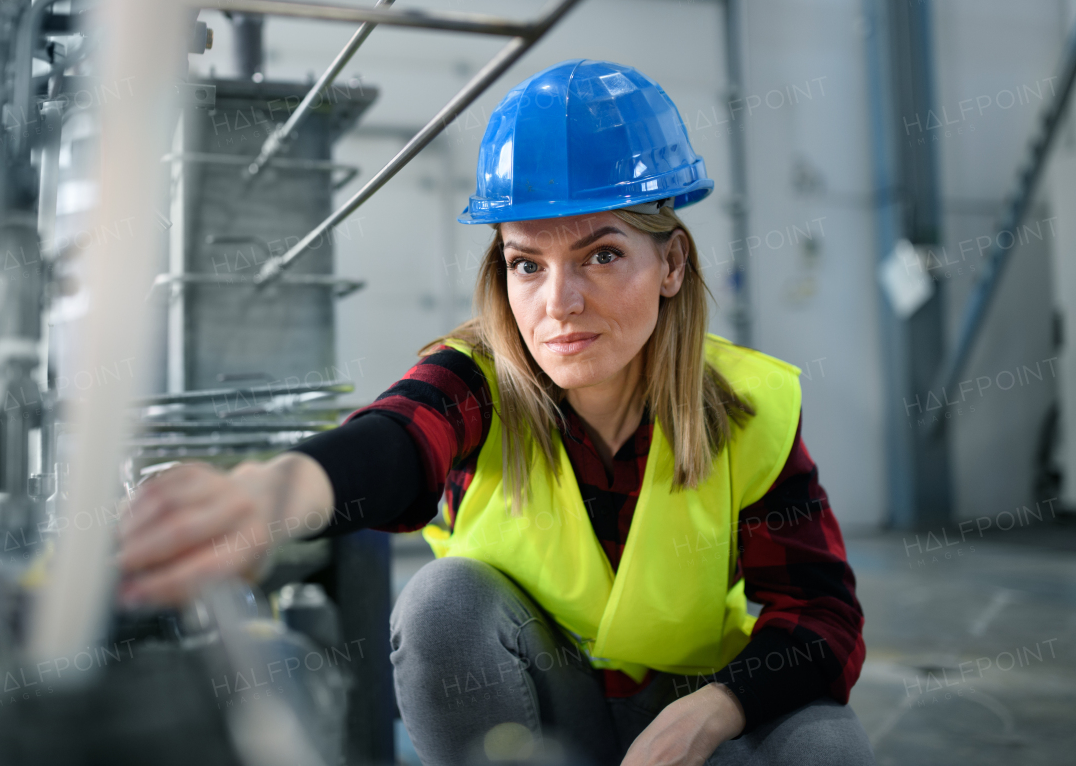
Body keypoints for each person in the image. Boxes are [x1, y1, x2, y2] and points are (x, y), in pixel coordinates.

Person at [118, 59, 873, 766]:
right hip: (541, 717)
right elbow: (396, 440)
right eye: (527, 264)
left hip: (691, 721)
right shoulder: (476, 379)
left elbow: (821, 614)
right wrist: (268, 495)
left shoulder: (747, 410)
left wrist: (719, 707)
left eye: (601, 255)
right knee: (442, 604)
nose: (559, 304)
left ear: (671, 263)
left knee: (825, 742)